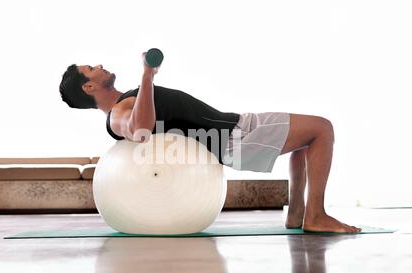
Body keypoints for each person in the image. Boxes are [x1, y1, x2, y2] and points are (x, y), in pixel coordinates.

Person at [59, 52, 361, 234]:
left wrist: (146, 81)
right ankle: (316, 215)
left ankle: (299, 215)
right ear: (89, 86)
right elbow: (141, 129)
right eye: (91, 68)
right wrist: (147, 75)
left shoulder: (129, 100)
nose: (98, 64)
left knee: (308, 138)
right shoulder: (117, 113)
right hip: (231, 138)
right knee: (322, 129)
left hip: (236, 124)